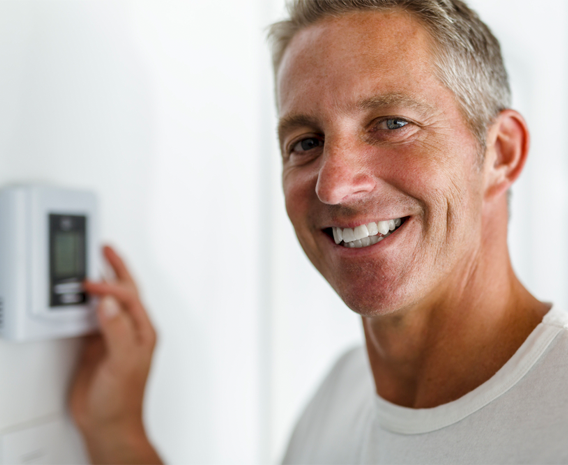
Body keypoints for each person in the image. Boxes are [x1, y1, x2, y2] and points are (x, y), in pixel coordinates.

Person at [70, 0, 568, 463]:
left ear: (501, 152)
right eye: (306, 142)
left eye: (391, 123)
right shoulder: (340, 394)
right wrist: (117, 431)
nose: (334, 185)